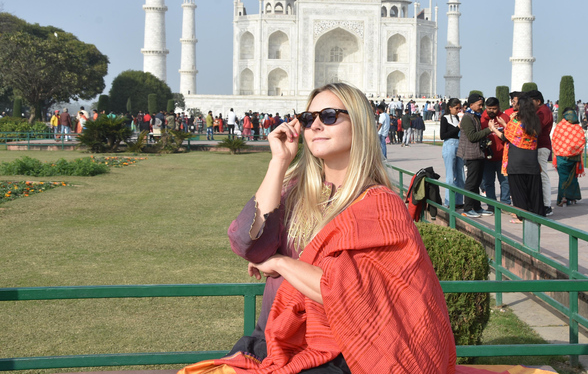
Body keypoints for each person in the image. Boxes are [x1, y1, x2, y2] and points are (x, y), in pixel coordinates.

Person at [180, 82, 455, 374]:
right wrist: (279, 161)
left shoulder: (379, 205)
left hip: (340, 350)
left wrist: (281, 262)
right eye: (309, 119)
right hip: (277, 339)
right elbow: (248, 244)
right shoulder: (298, 192)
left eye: (329, 116)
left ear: (359, 124)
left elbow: (346, 292)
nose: (316, 126)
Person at [499, 95, 545, 221]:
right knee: (534, 191)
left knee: (519, 192)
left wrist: (494, 128)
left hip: (516, 161)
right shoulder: (535, 122)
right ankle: (537, 214)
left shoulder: (515, 122)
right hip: (532, 160)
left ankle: (522, 216)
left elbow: (505, 136)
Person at [457, 93, 497, 218]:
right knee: (471, 182)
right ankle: (468, 208)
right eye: (479, 105)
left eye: (482, 105)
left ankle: (477, 207)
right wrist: (489, 130)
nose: (481, 107)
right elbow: (472, 137)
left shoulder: (475, 116)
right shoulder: (467, 118)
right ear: (471, 105)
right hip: (471, 153)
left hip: (477, 153)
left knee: (477, 181)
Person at [551, 108, 585, 206]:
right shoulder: (578, 128)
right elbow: (582, 141)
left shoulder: (559, 126)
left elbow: (554, 140)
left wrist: (559, 150)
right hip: (575, 157)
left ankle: (563, 197)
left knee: (563, 177)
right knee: (572, 177)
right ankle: (572, 197)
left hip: (561, 157)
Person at [480, 97, 511, 206]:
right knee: (488, 183)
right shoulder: (482, 119)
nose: (491, 111)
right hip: (487, 157)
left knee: (505, 182)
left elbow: (510, 135)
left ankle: (505, 204)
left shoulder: (504, 118)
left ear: (498, 108)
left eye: (494, 108)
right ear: (486, 108)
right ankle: (491, 205)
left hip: (503, 157)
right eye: (489, 108)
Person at [528, 91, 554, 217]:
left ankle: (546, 205)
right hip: (539, 146)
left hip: (541, 146)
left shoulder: (543, 112)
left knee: (542, 175)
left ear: (538, 101)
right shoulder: (542, 111)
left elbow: (535, 129)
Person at [440, 97, 465, 209]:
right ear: (450, 107)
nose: (458, 110)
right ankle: (449, 201)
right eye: (456, 108)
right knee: (450, 176)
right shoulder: (445, 118)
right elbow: (443, 135)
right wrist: (457, 128)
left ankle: (459, 201)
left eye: (459, 108)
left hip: (458, 145)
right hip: (449, 145)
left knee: (461, 175)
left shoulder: (456, 117)